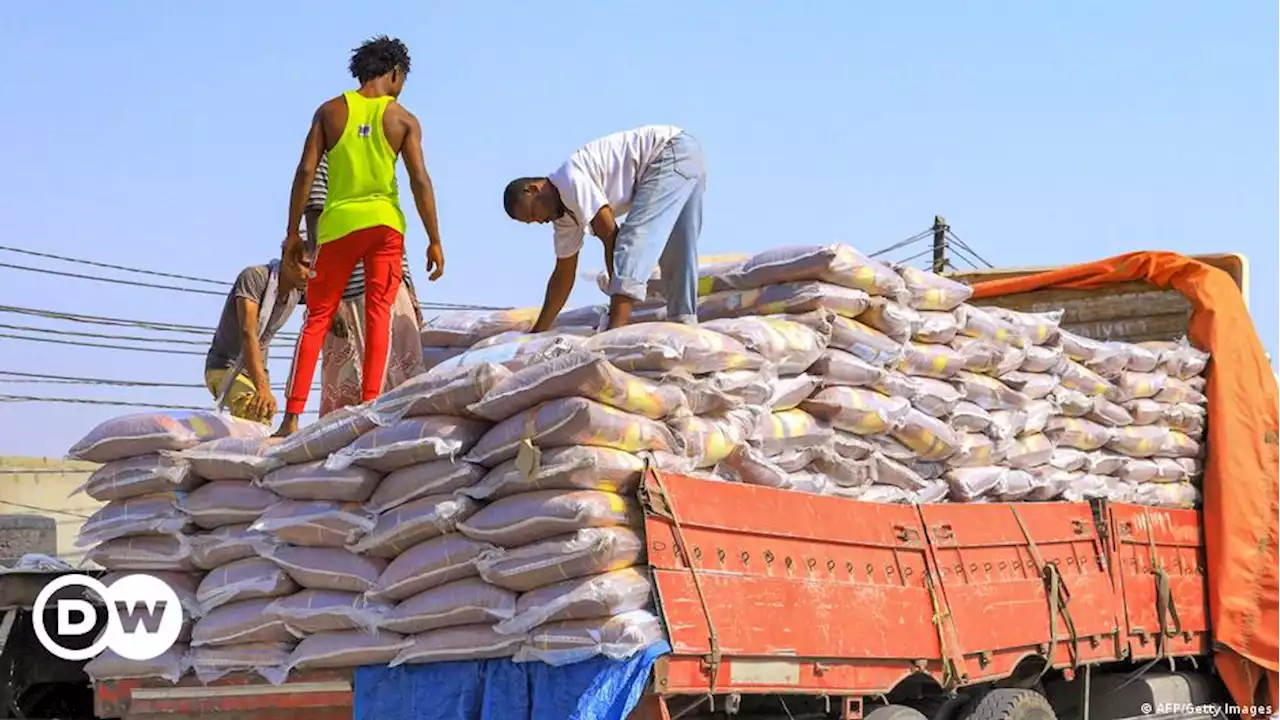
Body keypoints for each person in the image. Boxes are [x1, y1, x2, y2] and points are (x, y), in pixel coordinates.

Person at [278, 35, 445, 437]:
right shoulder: (403, 119)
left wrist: (291, 235)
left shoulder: (330, 112)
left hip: (339, 225)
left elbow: (304, 172)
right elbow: (420, 181)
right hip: (385, 226)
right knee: (379, 315)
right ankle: (371, 406)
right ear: (395, 73)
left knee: (316, 318)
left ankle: (291, 418)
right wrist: (434, 238)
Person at [502, 125, 707, 331]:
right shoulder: (564, 218)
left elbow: (611, 236)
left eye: (532, 213)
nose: (538, 220)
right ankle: (684, 324)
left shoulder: (570, 180)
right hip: (687, 155)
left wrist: (616, 306)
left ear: (533, 189)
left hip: (668, 151)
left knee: (634, 239)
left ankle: (615, 331)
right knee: (678, 247)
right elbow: (563, 276)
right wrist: (538, 332)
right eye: (531, 222)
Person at [304, 153, 426, 418]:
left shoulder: (379, 159)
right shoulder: (326, 160)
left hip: (392, 291)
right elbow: (316, 230)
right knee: (350, 403)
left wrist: (410, 294)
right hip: (349, 295)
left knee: (405, 392)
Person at [204, 254, 308, 425]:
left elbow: (326, 298)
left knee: (262, 418)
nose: (310, 273)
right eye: (305, 265)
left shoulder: (298, 288)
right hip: (226, 367)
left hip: (256, 373)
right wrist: (263, 388)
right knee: (254, 414)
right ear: (289, 257)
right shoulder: (255, 277)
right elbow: (248, 333)